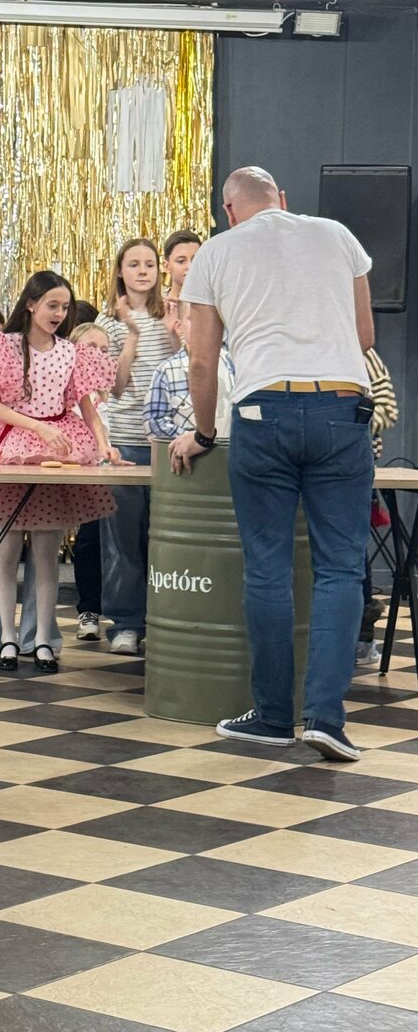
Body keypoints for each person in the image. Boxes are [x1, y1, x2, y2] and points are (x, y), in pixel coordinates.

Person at [171, 166, 374, 764]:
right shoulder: (337, 234)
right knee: (341, 569)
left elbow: (201, 362)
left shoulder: (216, 252)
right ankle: (327, 719)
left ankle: (272, 717)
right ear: (282, 199)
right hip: (343, 408)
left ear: (229, 211)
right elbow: (364, 335)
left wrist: (205, 432)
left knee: (267, 569)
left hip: (264, 412)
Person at [0, 271, 118, 673]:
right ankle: (5, 636)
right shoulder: (4, 346)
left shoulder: (71, 353)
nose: (59, 313)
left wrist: (103, 444)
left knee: (46, 552)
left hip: (55, 449)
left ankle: (41, 640)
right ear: (32, 304)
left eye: (64, 307)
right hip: (12, 447)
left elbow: (89, 410)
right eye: (52, 305)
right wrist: (37, 427)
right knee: (5, 549)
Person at [96, 238, 180, 653]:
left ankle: (167, 620)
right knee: (123, 538)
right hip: (125, 440)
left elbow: (187, 366)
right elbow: (114, 385)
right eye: (134, 264)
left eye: (149, 264)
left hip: (168, 440)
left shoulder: (172, 313)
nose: (143, 271)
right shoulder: (108, 321)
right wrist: (130, 335)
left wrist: (175, 332)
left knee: (167, 536)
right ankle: (125, 623)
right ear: (120, 271)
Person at [356, 344, 399, 665]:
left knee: (351, 554)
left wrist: (348, 423)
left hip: (353, 463)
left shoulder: (363, 352)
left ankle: (362, 638)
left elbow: (387, 409)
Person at [70, 323, 113, 642]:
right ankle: (89, 610)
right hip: (82, 478)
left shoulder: (116, 391)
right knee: (89, 541)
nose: (98, 354)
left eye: (104, 349)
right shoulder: (67, 391)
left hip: (116, 474)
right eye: (90, 347)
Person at [144, 303, 234, 441]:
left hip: (230, 449)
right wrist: (195, 439)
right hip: (188, 452)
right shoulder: (167, 370)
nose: (203, 326)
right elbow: (154, 423)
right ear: (180, 326)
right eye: (194, 319)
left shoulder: (232, 363)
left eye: (211, 319)